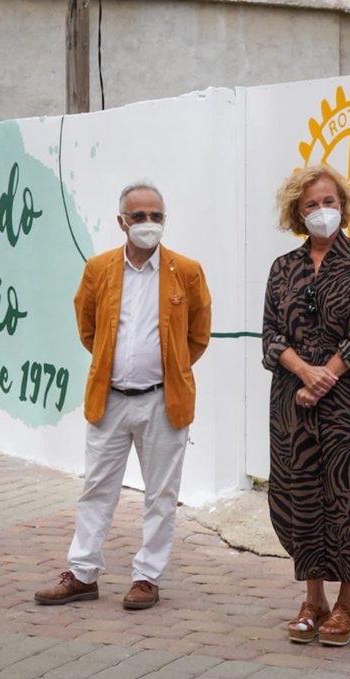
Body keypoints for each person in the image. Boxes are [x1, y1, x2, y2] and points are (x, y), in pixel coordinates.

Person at [34, 181, 212, 611]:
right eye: (139, 216)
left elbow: (198, 335)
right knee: (96, 489)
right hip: (110, 398)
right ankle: (82, 574)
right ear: (121, 222)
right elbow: (88, 328)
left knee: (161, 494)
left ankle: (147, 577)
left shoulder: (186, 271)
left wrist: (167, 369)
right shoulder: (99, 269)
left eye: (157, 216)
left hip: (163, 401)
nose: (149, 223)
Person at [262, 164, 350, 647]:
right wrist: (304, 372)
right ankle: (312, 599)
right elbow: (271, 335)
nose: (321, 210)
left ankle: (348, 605)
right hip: (292, 400)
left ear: (343, 206)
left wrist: (325, 376)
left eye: (329, 201)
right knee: (301, 494)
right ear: (297, 212)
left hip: (345, 399)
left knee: (349, 496)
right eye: (311, 204)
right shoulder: (282, 268)